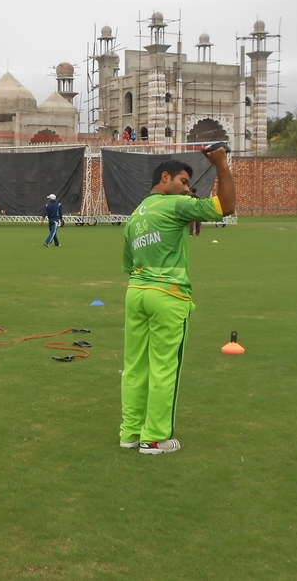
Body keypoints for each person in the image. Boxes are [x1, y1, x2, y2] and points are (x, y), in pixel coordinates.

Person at [119, 148, 235, 455]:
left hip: (136, 293)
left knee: (134, 367)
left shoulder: (135, 216)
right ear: (165, 178)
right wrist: (221, 164)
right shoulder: (175, 204)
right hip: (168, 296)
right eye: (183, 181)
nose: (187, 188)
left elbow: (129, 265)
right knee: (164, 367)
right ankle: (155, 438)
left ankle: (130, 432)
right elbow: (226, 207)